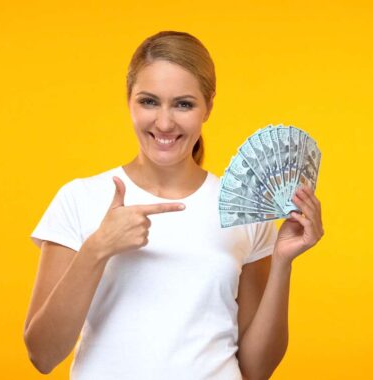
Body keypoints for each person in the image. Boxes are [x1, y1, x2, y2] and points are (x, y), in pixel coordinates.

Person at [23, 30, 324, 380]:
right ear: (129, 100)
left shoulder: (246, 215)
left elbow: (256, 370)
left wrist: (283, 263)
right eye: (149, 101)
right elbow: (42, 355)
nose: (164, 123)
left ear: (208, 106)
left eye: (183, 104)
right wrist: (98, 248)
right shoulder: (80, 199)